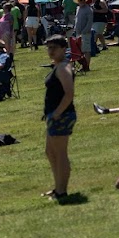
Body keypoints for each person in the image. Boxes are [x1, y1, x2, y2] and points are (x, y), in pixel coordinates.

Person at [42, 35, 76, 203]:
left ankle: (62, 191)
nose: (51, 51)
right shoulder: (58, 66)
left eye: (54, 48)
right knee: (50, 152)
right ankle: (57, 187)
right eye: (49, 48)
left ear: (64, 48)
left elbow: (69, 93)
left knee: (60, 153)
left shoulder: (63, 68)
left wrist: (57, 113)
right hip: (54, 115)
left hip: (62, 115)